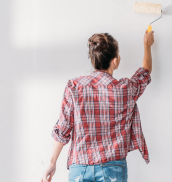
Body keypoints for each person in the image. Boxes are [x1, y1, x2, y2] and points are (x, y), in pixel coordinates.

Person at [41, 30, 155, 182]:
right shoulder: (126, 89)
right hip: (113, 168)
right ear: (115, 61)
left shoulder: (74, 87)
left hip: (80, 167)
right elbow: (145, 72)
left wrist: (52, 162)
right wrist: (147, 45)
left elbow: (63, 128)